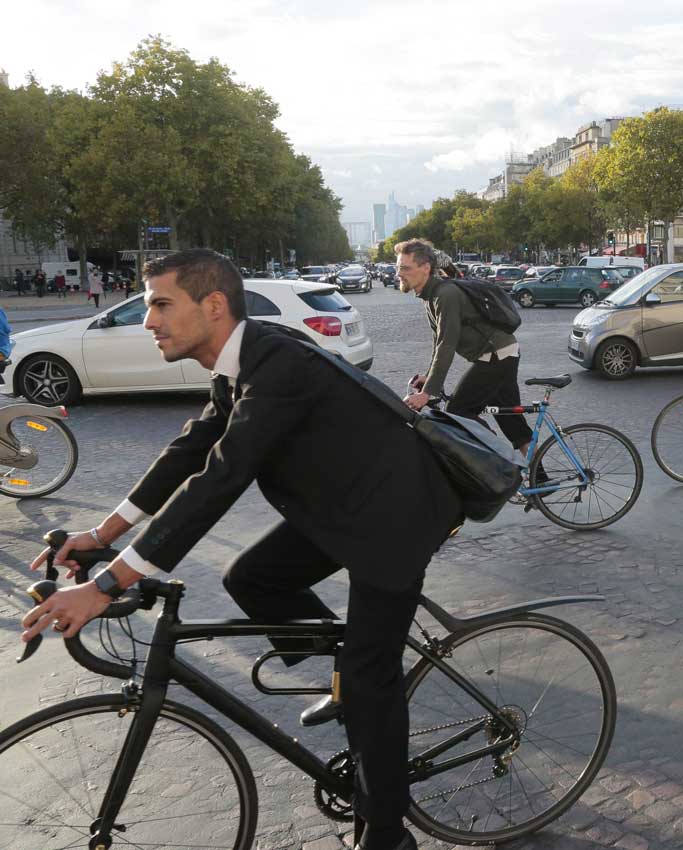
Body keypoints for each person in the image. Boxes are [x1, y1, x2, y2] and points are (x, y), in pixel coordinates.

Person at [20, 248, 458, 850]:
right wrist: (99, 537)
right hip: (339, 508)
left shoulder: (278, 366)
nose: (148, 321)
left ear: (214, 305)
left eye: (160, 305)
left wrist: (105, 586)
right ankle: (342, 680)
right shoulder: (241, 361)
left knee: (369, 682)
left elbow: (221, 478)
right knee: (250, 577)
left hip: (395, 516)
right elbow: (190, 450)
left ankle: (388, 835)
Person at [397, 239, 534, 456]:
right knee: (511, 420)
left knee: (458, 411)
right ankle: (541, 480)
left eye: (405, 268)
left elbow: (446, 345)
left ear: (425, 268)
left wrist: (428, 393)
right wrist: (428, 379)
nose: (399, 273)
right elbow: (439, 342)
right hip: (501, 353)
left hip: (496, 355)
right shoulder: (430, 297)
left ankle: (498, 463)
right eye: (399, 267)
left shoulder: (445, 295)